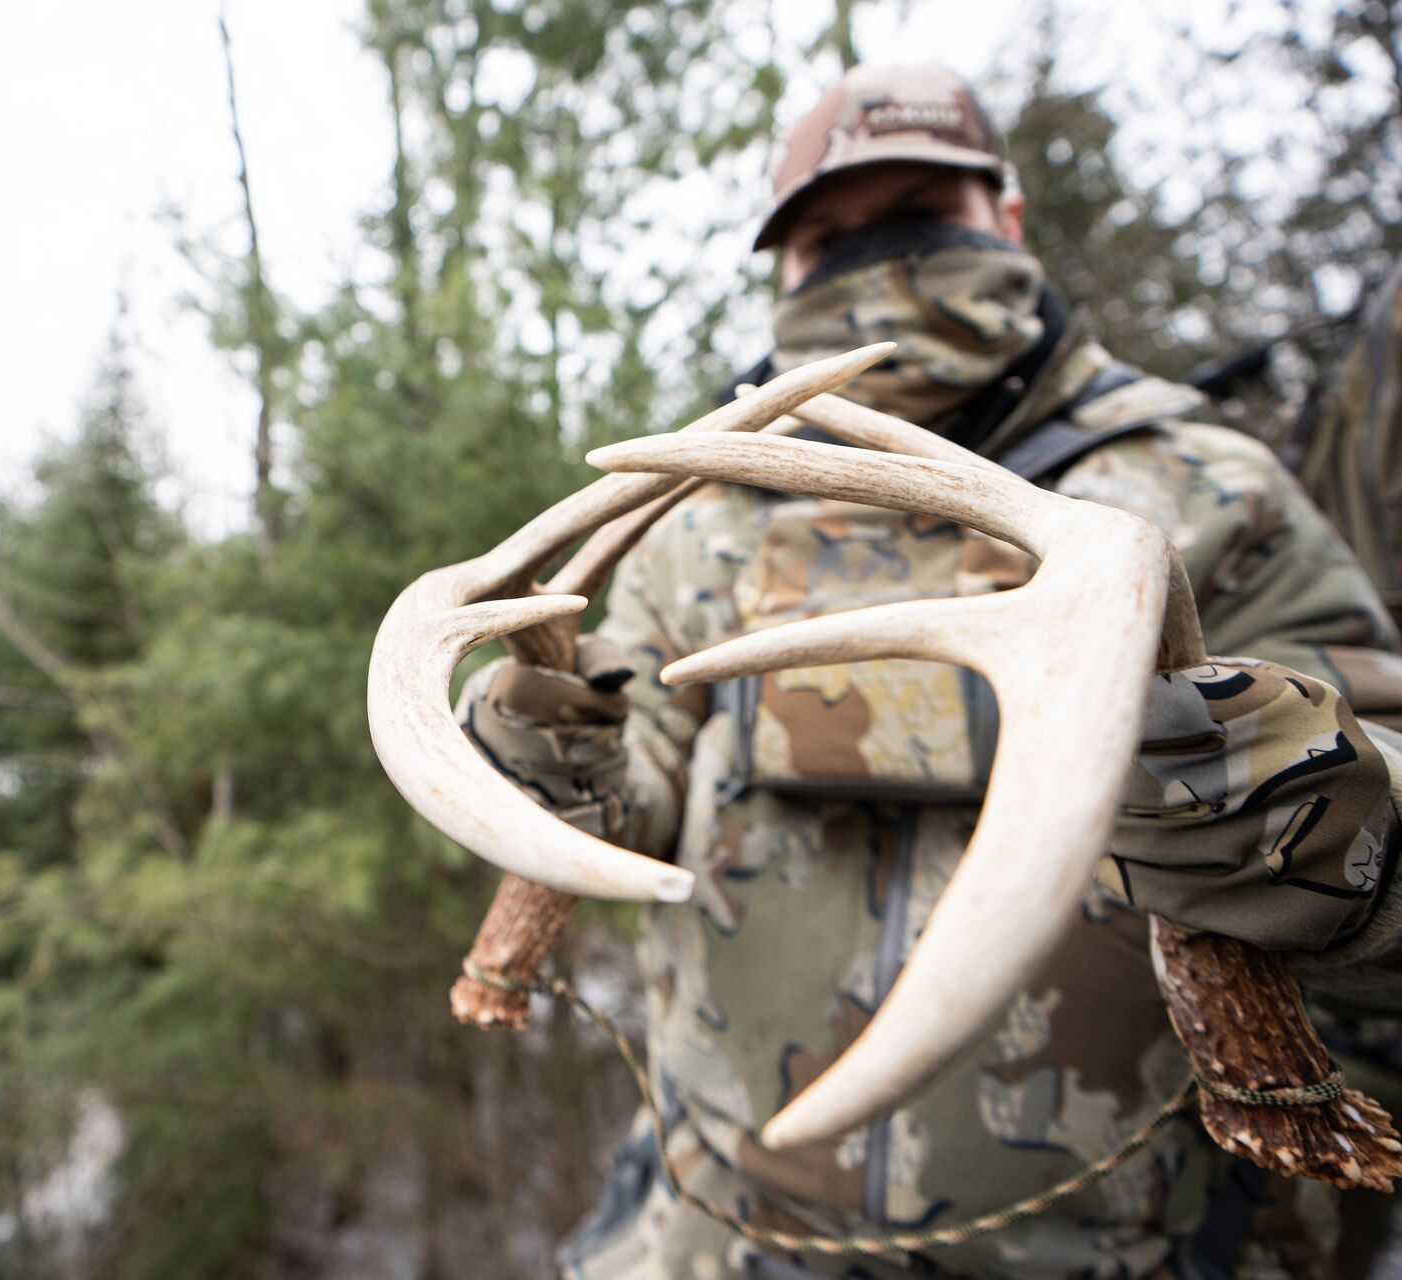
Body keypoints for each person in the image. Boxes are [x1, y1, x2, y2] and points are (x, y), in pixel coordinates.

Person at [457, 64, 1402, 1280]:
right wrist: (549, 741)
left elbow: (1381, 801)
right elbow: (623, 811)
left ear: (1005, 218)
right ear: (781, 267)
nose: (873, 262)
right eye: (829, 236)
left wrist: (1296, 801)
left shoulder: (1207, 490)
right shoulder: (696, 516)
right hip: (720, 1232)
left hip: (1140, 1244)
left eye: (920, 213)